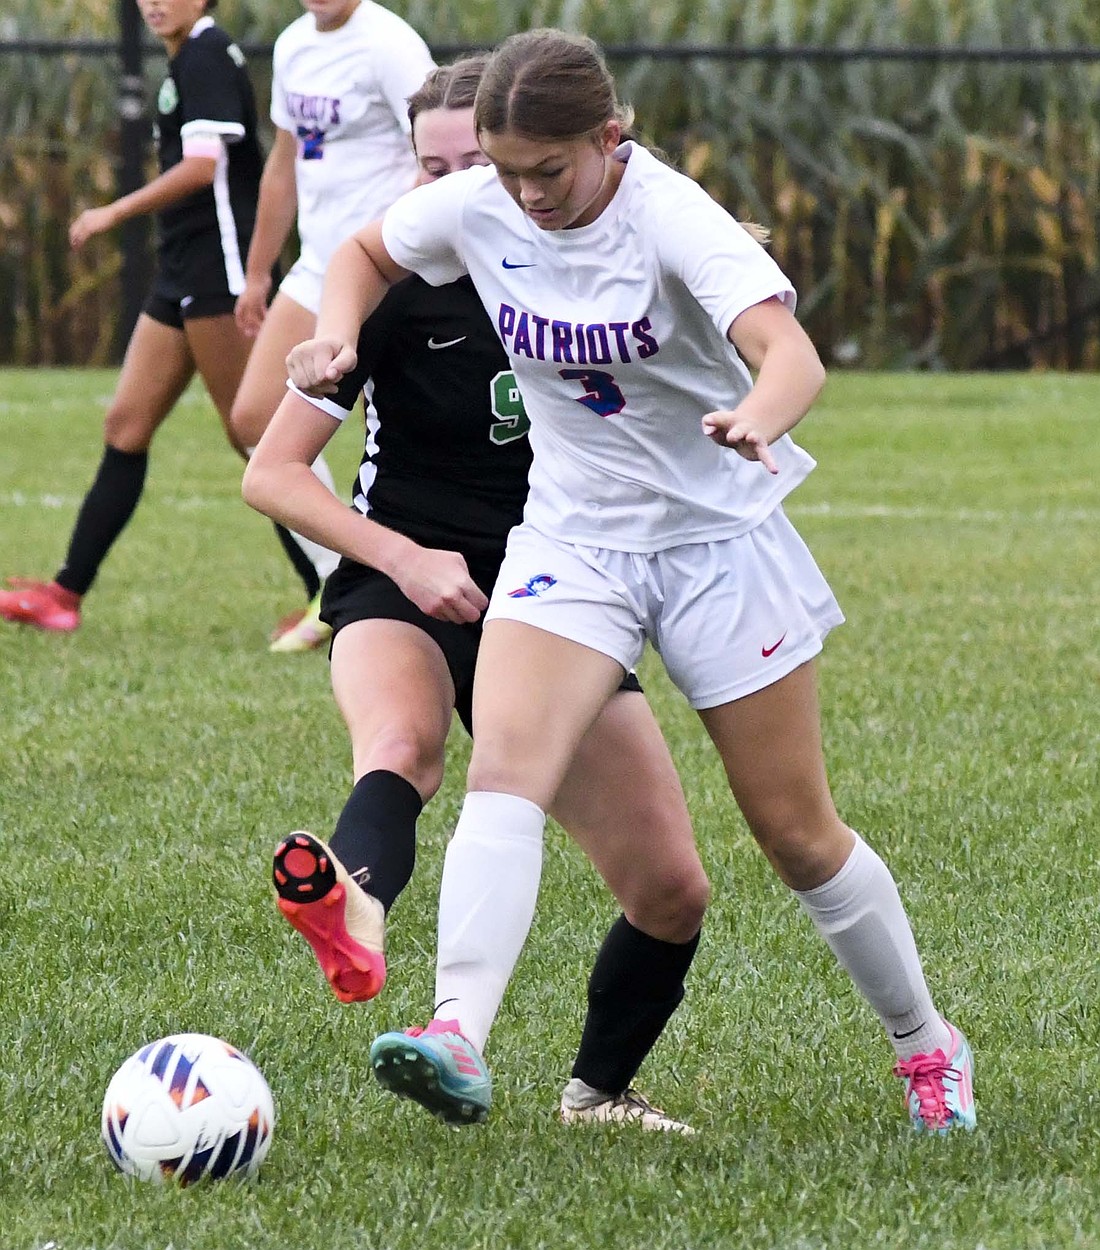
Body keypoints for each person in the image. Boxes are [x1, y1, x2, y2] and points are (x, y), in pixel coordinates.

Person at [287, 28, 977, 1136]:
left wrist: (755, 415)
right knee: (504, 770)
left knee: (796, 834)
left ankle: (925, 1047)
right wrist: (330, 337)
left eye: (546, 172)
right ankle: (453, 1029)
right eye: (503, 173)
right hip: (571, 537)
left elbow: (787, 350)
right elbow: (364, 253)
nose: (522, 196)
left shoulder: (670, 217)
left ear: (610, 138)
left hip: (715, 542)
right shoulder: (481, 204)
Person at [243, 56, 710, 1132]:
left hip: (559, 599)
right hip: (400, 583)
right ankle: (351, 909)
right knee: (400, 746)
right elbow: (270, 474)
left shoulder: (583, 271)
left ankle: (596, 1094)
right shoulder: (385, 294)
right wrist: (401, 558)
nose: (455, 190)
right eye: (433, 167)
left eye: (477, 167)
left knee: (670, 887)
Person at [0, 0, 310, 636]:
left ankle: (335, 596)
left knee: (255, 435)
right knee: (126, 423)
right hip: (181, 270)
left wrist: (112, 213)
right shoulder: (184, 59)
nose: (154, 2)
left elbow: (203, 168)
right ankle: (65, 594)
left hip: (218, 270)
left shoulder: (203, 54)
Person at [229, 0, 435, 652]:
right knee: (254, 419)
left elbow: (437, 151)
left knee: (408, 436)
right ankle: (340, 576)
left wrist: (400, 240)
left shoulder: (389, 43)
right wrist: (259, 270)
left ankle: (407, 583)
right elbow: (285, 161)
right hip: (317, 264)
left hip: (384, 265)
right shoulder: (293, 44)